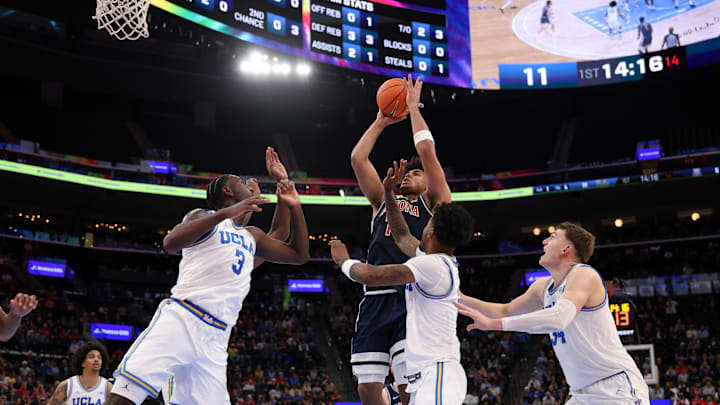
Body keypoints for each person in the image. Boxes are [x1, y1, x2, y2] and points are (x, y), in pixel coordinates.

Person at [105, 153, 309, 405]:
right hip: (183, 319)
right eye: (240, 181)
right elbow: (170, 243)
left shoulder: (250, 236)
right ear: (227, 190)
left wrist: (289, 197)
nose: (248, 183)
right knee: (126, 395)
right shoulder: (202, 217)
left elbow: (295, 250)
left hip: (216, 336)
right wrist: (227, 213)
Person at [455, 222, 650, 404]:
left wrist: (493, 325)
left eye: (553, 237)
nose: (544, 241)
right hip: (581, 394)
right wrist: (457, 295)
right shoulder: (543, 287)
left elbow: (559, 318)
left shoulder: (583, 274)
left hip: (615, 388)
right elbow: (505, 310)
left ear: (567, 249)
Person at [331, 160, 473, 404]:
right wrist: (388, 192)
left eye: (429, 223)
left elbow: (369, 275)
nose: (426, 224)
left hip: (437, 369)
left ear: (431, 232)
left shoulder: (428, 265)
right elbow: (402, 235)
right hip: (432, 360)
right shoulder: (429, 259)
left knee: (409, 391)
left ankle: (397, 392)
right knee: (371, 389)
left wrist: (343, 260)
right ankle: (395, 392)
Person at [349, 75, 452, 405]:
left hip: (410, 296)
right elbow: (358, 159)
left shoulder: (432, 205)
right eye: (408, 172)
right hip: (374, 295)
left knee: (410, 386)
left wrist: (412, 110)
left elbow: (427, 151)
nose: (409, 174)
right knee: (367, 389)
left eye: (416, 173)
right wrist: (380, 122)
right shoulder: (382, 198)